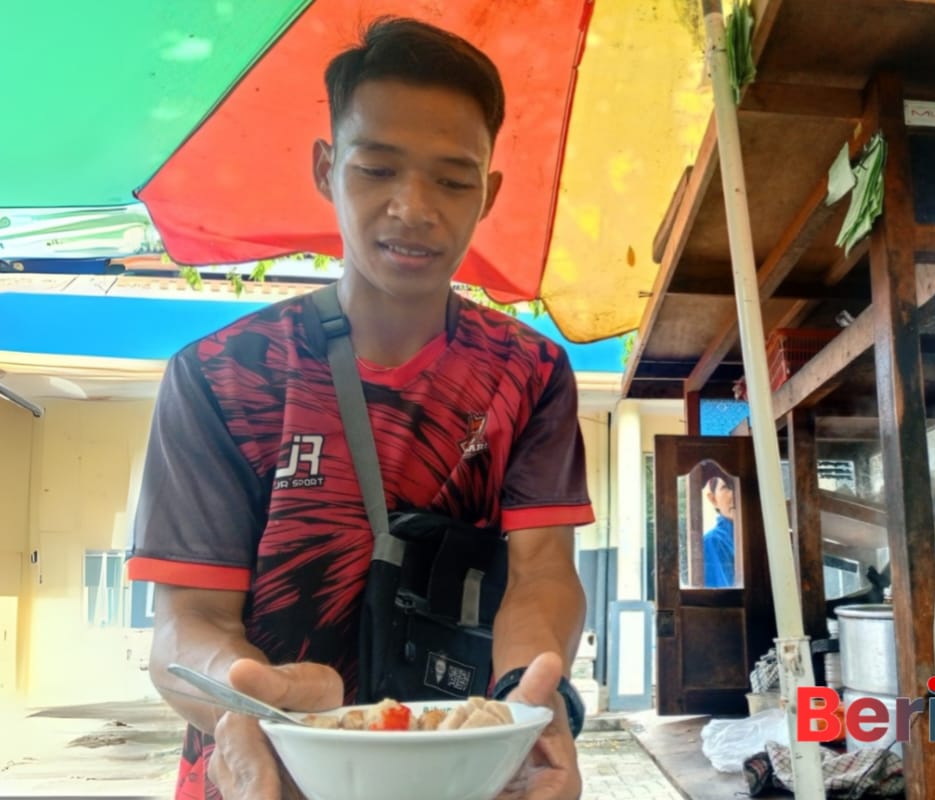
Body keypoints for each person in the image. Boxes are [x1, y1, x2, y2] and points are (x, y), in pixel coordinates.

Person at [127, 18, 592, 800]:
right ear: (325, 168)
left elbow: (542, 574)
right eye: (377, 169)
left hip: (464, 771)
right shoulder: (219, 375)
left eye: (453, 180)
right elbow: (186, 623)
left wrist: (528, 695)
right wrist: (238, 695)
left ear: (490, 192)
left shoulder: (531, 372)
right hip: (261, 777)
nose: (412, 208)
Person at [701, 464, 736, 588]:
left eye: (740, 486)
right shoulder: (712, 542)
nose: (736, 494)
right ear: (713, 499)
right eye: (727, 487)